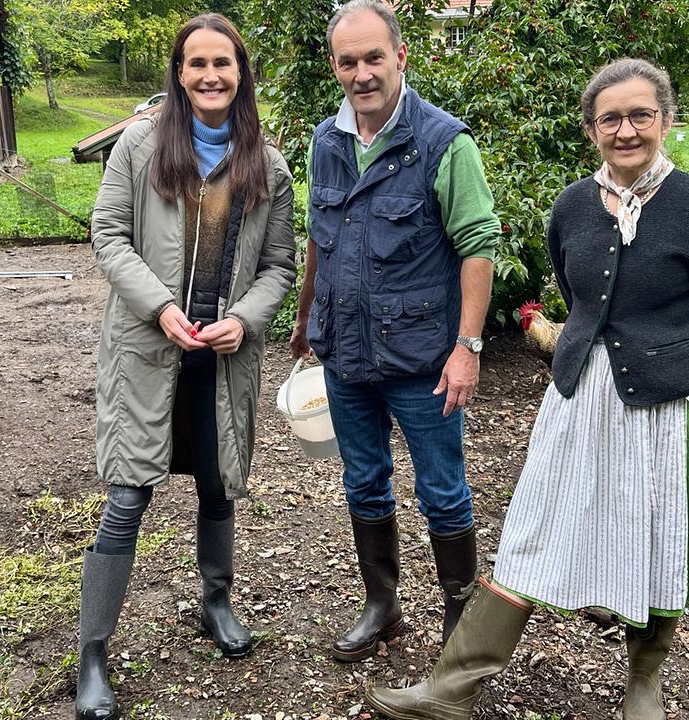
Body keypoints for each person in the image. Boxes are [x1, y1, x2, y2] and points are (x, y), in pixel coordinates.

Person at [365, 57, 689, 720]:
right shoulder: (572, 205)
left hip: (664, 401)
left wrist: (669, 360)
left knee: (655, 533)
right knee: (534, 526)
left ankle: (643, 686)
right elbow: (576, 294)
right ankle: (453, 689)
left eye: (640, 115)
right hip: (579, 390)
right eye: (610, 119)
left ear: (665, 119)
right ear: (592, 129)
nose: (625, 130)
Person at [79, 14, 296, 720]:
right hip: (149, 350)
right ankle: (93, 654)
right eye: (196, 63)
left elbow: (279, 266)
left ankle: (215, 601)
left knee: (217, 482)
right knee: (127, 498)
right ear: (178, 72)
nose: (210, 76)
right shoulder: (140, 147)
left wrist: (246, 318)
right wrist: (157, 306)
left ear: (240, 73)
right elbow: (108, 233)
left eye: (223, 64)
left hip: (222, 358)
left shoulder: (267, 161)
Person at [289, 0, 500, 662]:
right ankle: (382, 608)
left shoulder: (444, 142)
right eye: (348, 61)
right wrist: (305, 317)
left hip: (423, 359)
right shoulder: (327, 142)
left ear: (401, 56)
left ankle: (460, 624)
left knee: (442, 488)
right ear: (335, 67)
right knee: (363, 481)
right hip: (346, 352)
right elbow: (322, 238)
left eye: (374, 57)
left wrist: (466, 350)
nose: (362, 73)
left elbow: (478, 246)